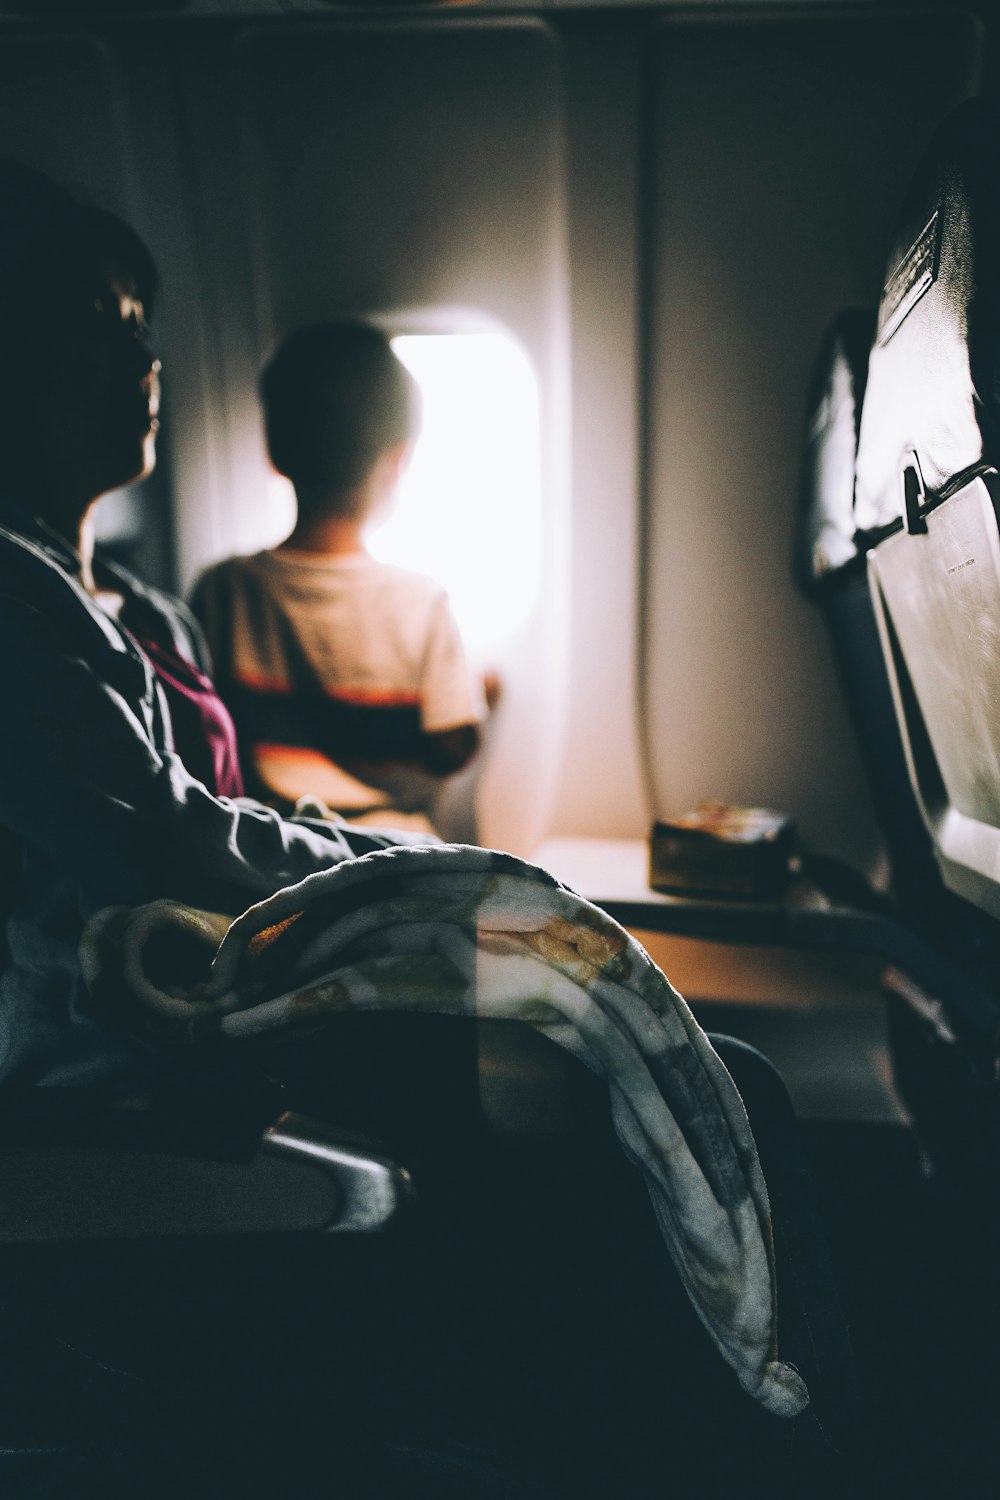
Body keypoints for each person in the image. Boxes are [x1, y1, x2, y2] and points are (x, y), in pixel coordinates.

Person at [0, 164, 418, 1092]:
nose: (146, 357)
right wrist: (402, 876)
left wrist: (384, 857)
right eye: (103, 327)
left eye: (143, 325)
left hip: (241, 981)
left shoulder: (153, 611)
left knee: (648, 1049)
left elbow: (231, 809)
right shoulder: (13, 608)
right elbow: (166, 837)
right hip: (118, 1049)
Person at [190, 323, 488, 832]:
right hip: (390, 852)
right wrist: (481, 701)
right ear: (397, 459)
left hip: (268, 845)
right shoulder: (420, 601)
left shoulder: (223, 590)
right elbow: (453, 747)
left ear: (275, 451)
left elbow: (200, 736)